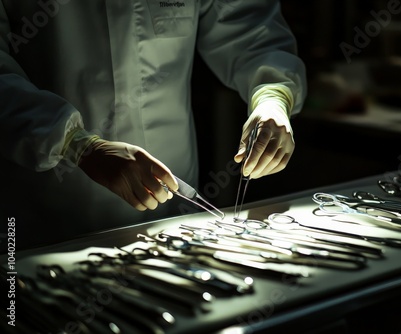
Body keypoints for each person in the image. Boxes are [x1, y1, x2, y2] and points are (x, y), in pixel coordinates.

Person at [0, 0, 307, 250]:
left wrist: (273, 96)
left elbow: (251, 28)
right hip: (46, 219)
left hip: (172, 218)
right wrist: (75, 144)